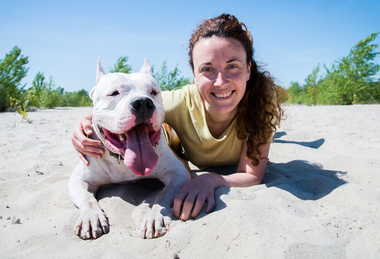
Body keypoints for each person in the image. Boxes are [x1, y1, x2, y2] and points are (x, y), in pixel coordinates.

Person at [71, 14, 284, 221]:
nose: (220, 81)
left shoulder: (261, 103)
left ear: (248, 69)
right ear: (194, 74)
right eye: (207, 69)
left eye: (232, 66)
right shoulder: (176, 102)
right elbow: (114, 110)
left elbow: (252, 174)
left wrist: (211, 179)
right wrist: (81, 124)